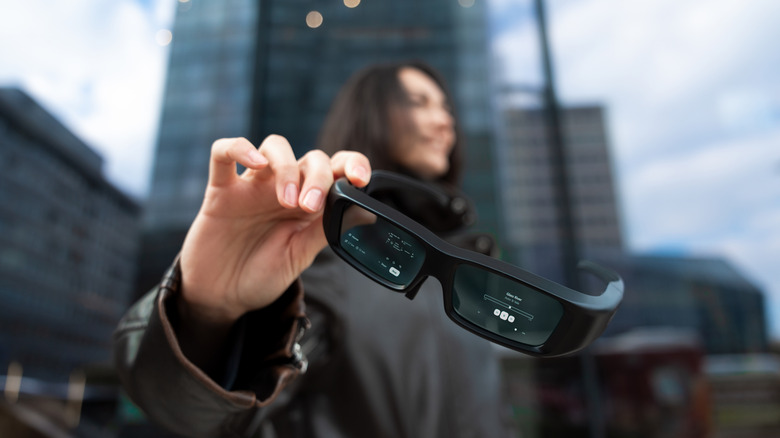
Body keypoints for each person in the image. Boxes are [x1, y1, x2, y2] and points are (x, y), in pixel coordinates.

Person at [114, 61, 507, 437]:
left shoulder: (464, 278)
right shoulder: (319, 263)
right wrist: (208, 312)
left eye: (447, 108)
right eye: (420, 103)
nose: (445, 122)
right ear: (371, 115)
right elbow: (210, 416)